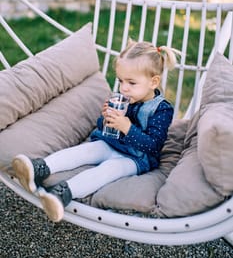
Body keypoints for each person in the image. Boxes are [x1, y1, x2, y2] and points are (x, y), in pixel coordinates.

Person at [12, 39, 181, 222]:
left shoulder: (162, 109)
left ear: (153, 82)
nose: (123, 88)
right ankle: (39, 168)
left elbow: (153, 146)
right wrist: (106, 119)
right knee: (85, 150)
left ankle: (61, 194)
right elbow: (103, 127)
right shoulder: (124, 97)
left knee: (108, 170)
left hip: (135, 159)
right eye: (120, 81)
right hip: (110, 144)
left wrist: (127, 127)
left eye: (131, 83)